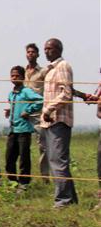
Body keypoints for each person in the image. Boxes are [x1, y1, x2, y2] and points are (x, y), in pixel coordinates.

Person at [39, 38, 78, 207]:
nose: (47, 51)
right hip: (49, 122)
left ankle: (63, 201)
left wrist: (48, 109)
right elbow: (69, 89)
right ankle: (71, 199)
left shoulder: (62, 66)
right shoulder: (50, 70)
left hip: (58, 120)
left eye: (50, 48)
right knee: (56, 160)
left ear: (59, 49)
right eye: (45, 49)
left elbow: (66, 93)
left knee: (58, 162)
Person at [4, 65, 43, 189]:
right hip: (12, 129)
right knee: (9, 157)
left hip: (24, 130)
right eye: (12, 76)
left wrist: (29, 110)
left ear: (22, 77)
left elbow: (40, 101)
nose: (14, 78)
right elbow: (14, 106)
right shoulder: (11, 94)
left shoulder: (26, 91)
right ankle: (12, 181)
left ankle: (24, 183)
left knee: (24, 158)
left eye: (17, 76)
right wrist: (10, 111)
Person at [24, 43, 50, 182]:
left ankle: (45, 177)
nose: (30, 54)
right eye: (28, 52)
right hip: (23, 114)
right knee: (23, 146)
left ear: (38, 54)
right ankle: (25, 179)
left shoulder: (43, 72)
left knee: (43, 147)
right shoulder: (22, 71)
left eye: (33, 52)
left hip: (38, 113)